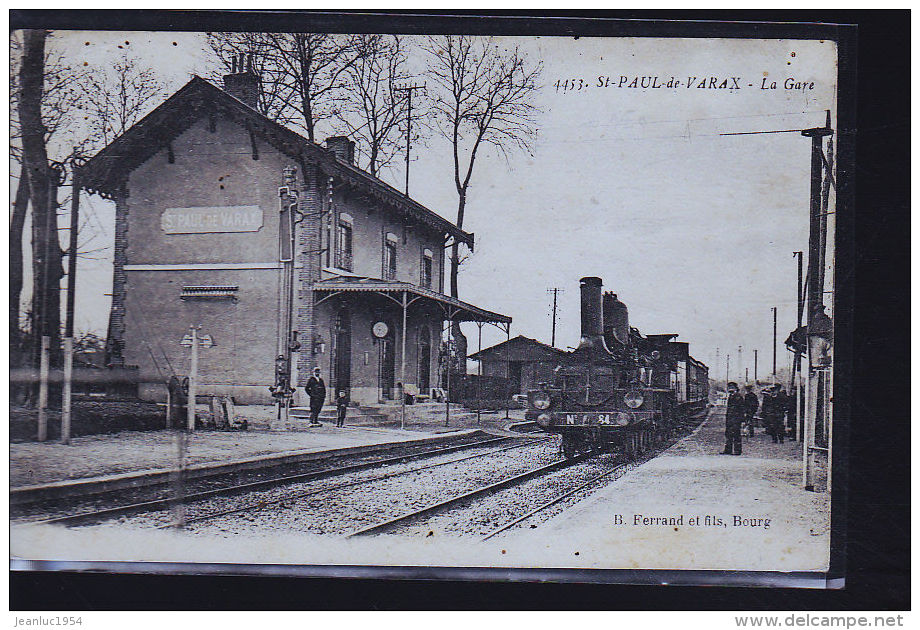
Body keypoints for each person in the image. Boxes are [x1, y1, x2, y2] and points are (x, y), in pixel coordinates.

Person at [721, 382, 744, 455]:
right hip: (730, 419)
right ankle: (728, 450)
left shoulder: (738, 397)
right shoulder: (731, 396)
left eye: (731, 387)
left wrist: (741, 419)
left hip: (736, 419)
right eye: (729, 387)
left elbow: (741, 409)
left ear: (735, 388)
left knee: (736, 434)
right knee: (728, 434)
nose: (729, 389)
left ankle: (737, 451)